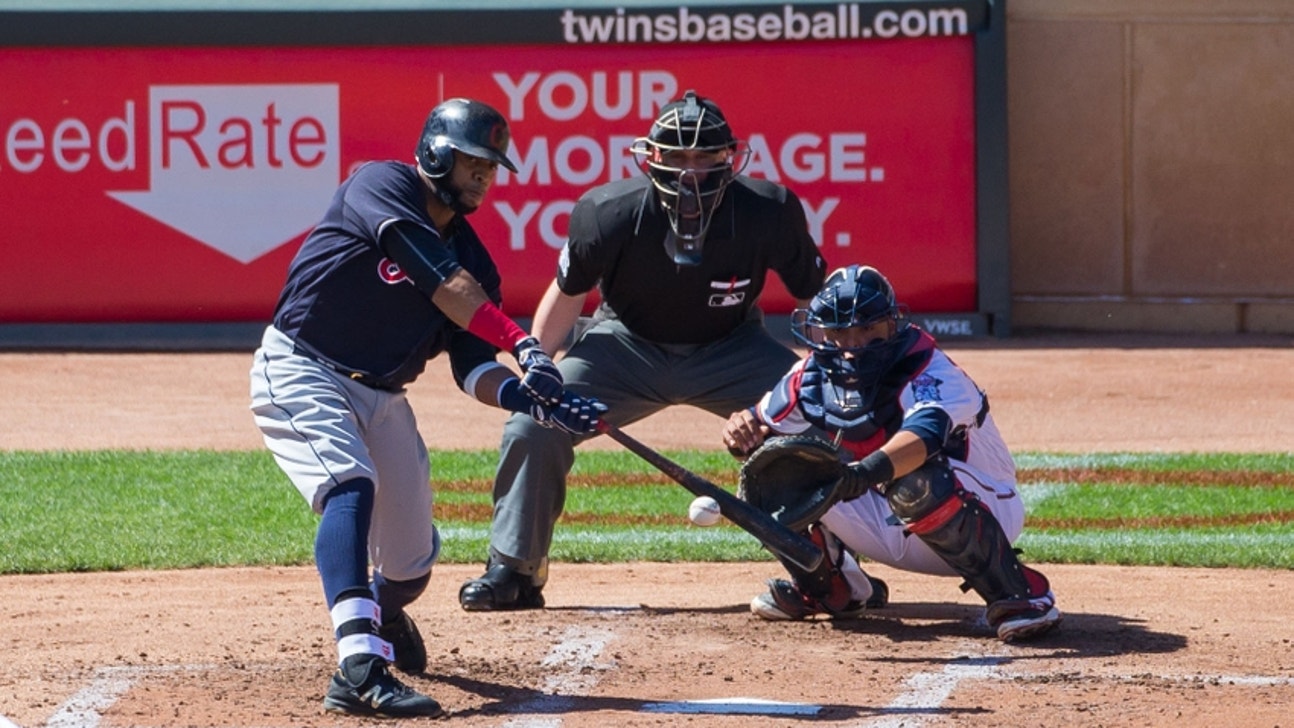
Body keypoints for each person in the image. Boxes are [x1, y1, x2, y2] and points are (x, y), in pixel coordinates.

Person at [249, 98, 605, 719]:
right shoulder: (379, 185)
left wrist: (531, 398)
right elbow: (439, 279)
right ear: (437, 152)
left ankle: (382, 614)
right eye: (474, 162)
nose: (485, 178)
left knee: (411, 567)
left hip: (384, 396)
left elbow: (471, 368)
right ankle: (359, 668)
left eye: (491, 168)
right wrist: (524, 342)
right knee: (349, 487)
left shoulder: (476, 263)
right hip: (302, 367)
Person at [458, 90, 828, 610]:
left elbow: (818, 302)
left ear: (730, 158)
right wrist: (536, 368)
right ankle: (514, 567)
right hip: (624, 344)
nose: (690, 172)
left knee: (820, 424)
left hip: (733, 347)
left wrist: (831, 380)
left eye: (705, 157)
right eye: (677, 157)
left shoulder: (769, 209)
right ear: (650, 157)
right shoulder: (606, 210)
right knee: (532, 422)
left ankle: (831, 572)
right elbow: (566, 298)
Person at [721, 264, 1062, 642]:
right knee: (766, 476)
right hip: (884, 518)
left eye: (867, 328)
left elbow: (922, 439)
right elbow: (759, 429)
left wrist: (861, 475)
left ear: (891, 324)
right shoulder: (811, 375)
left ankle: (1019, 594)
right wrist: (742, 431)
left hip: (981, 506)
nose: (852, 345)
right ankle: (832, 589)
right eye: (839, 332)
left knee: (914, 480)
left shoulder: (928, 369)